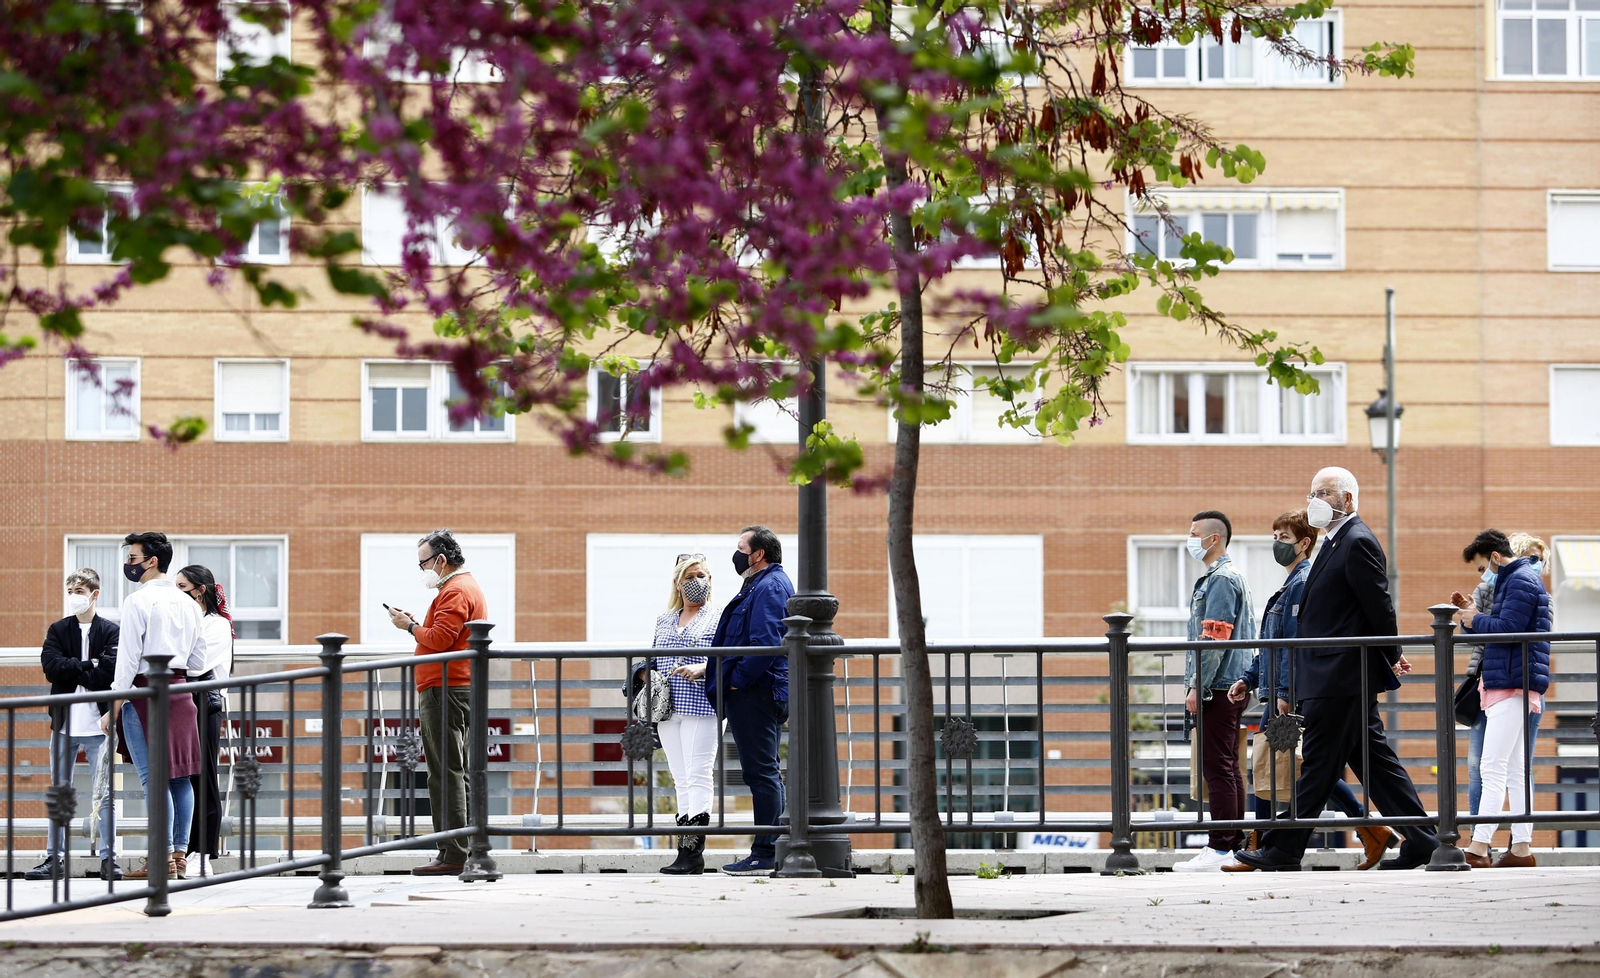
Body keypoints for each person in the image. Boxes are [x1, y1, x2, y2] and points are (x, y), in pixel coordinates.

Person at [1233, 467, 1438, 872]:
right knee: (1376, 765)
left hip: (1340, 673)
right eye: (1312, 492)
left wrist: (1392, 652)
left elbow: (1379, 604)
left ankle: (1283, 849)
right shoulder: (1333, 541)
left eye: (1324, 493)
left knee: (1320, 763)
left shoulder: (1358, 540)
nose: (1315, 500)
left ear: (1347, 499)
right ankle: (1424, 840)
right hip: (1333, 673)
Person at [1229, 511, 1393, 871]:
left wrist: (1285, 690)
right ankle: (1370, 829)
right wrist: (1251, 678)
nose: (1276, 543)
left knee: (1284, 766)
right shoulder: (1289, 585)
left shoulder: (1303, 583)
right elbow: (1272, 645)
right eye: (1274, 535)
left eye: (1284, 537)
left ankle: (1266, 845)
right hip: (1279, 690)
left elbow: (1295, 645)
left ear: (1305, 543)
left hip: (1290, 693)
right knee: (1300, 766)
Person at [387, 529, 487, 876]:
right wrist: (418, 624)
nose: (422, 571)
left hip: (444, 688)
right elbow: (446, 633)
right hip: (455, 685)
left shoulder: (455, 589)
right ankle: (467, 848)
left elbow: (441, 639)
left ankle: (453, 854)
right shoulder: (463, 587)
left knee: (444, 773)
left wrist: (409, 626)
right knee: (456, 771)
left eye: (424, 563)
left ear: (441, 560)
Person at [1450, 530, 1551, 868]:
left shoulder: (1520, 580)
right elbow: (1499, 626)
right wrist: (1472, 614)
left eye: (1481, 568)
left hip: (1511, 682)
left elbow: (1508, 627)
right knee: (1515, 771)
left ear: (1494, 556)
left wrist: (1473, 618)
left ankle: (1479, 848)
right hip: (1515, 681)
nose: (1482, 576)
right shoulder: (1515, 580)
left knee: (1494, 766)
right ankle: (1521, 848)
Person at [109, 532, 205, 881]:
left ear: (151, 561)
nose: (128, 565)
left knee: (154, 780)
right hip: (181, 694)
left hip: (145, 692)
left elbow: (128, 660)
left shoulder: (138, 602)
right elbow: (198, 663)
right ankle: (179, 857)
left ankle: (161, 859)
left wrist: (114, 705)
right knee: (180, 778)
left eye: (133, 558)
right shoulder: (190, 604)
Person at [706, 525, 794, 876]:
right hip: (757, 690)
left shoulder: (770, 586)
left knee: (761, 773)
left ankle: (766, 853)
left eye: (741, 547)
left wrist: (735, 684)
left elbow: (764, 644)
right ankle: (773, 847)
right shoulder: (761, 583)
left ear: (758, 554)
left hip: (756, 691)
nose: (736, 553)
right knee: (765, 772)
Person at [1173, 510, 1254, 872]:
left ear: (1214, 538)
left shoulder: (1221, 579)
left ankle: (1221, 846)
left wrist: (1196, 686)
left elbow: (1214, 637)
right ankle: (1230, 844)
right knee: (1227, 766)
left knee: (1217, 766)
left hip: (1218, 685)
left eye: (1194, 533)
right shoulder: (1224, 576)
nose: (1190, 539)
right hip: (1227, 683)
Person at [30, 569, 121, 882]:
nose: (75, 596)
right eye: (71, 590)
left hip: (101, 725)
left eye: (80, 590)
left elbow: (107, 674)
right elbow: (50, 668)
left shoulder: (111, 631)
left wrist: (74, 668)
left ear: (94, 594)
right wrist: (87, 664)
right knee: (60, 792)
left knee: (105, 794)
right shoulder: (58, 629)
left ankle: (110, 860)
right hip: (65, 724)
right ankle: (54, 859)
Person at [643, 555, 722, 875]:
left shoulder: (718, 617)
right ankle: (684, 851)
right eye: (690, 576)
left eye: (703, 575)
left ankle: (693, 852)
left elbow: (728, 657)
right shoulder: (665, 619)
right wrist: (643, 675)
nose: (697, 581)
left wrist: (704, 667)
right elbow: (651, 657)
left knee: (698, 774)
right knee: (680, 778)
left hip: (702, 704)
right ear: (677, 583)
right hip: (668, 708)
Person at [175, 565, 234, 876]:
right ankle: (178, 850)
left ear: (200, 590)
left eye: (183, 586)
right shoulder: (185, 620)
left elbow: (194, 666)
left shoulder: (216, 625)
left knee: (204, 777)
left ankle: (203, 853)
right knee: (178, 777)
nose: (178, 593)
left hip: (203, 702)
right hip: (180, 701)